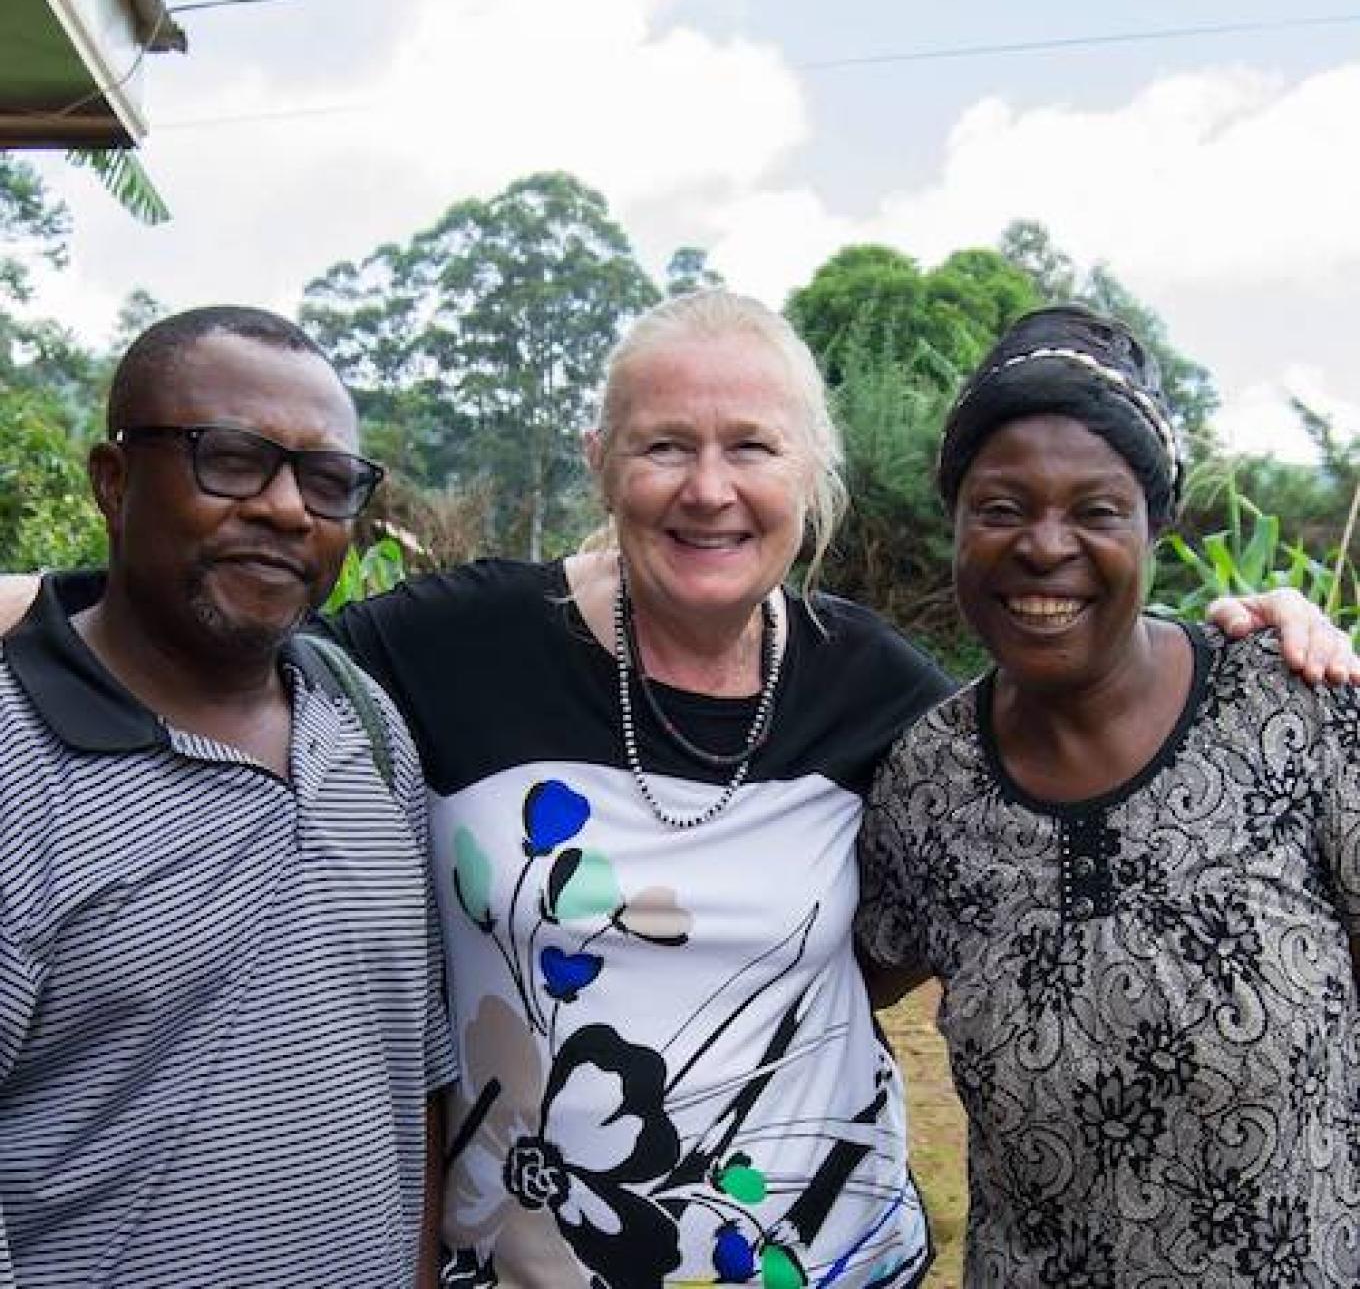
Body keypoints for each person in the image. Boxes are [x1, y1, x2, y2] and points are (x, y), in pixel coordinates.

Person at [0, 293, 1350, 1289]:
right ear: (602, 462)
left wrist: (1259, 625)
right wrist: (37, 602)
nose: (709, 489)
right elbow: (215, 637)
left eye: (752, 448)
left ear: (805, 479)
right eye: (665, 446)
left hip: (823, 1260)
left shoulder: (883, 694)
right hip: (514, 1259)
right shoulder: (444, 645)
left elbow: (1049, 724)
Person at [855, 304, 1360, 1286]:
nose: (1046, 545)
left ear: (1155, 524)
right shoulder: (926, 782)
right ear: (954, 523)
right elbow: (814, 992)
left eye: (1094, 509)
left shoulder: (1292, 709)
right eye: (1001, 507)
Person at [0, 307, 457, 1288]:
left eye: (327, 479)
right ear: (112, 483)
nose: (290, 508)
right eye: (234, 459)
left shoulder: (364, 722)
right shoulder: (16, 760)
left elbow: (411, 1074)